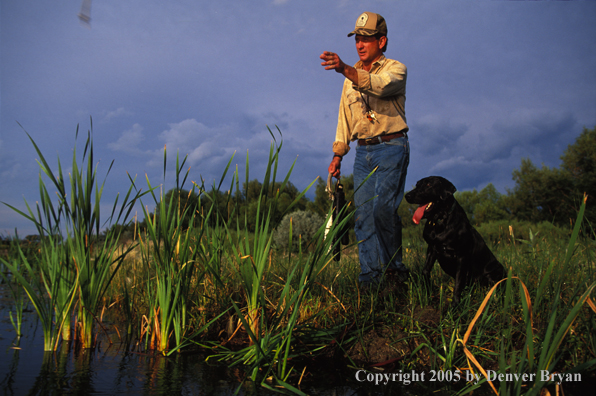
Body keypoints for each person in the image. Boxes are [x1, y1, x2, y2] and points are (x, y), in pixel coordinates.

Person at [320, 11, 410, 288]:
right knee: (363, 216)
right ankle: (370, 282)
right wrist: (338, 154)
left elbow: (381, 88)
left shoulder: (396, 69)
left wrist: (346, 68)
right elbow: (344, 119)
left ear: (381, 41)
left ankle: (395, 274)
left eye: (367, 39)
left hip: (392, 147)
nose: (360, 44)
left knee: (383, 209)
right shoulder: (350, 79)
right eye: (357, 39)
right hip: (363, 152)